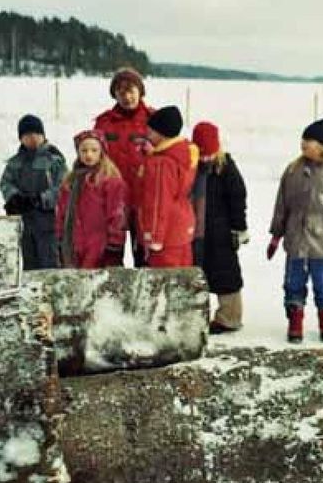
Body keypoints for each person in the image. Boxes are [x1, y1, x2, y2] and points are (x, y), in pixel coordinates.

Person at [268, 117, 323, 343]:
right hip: (296, 240)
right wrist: (276, 236)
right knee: (293, 283)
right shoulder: (293, 170)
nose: (304, 143)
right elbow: (282, 205)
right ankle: (295, 322)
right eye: (303, 139)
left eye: (310, 140)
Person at [191, 121, 249, 334]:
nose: (205, 159)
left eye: (209, 154)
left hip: (221, 232)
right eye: (202, 154)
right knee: (198, 273)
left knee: (227, 274)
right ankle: (196, 315)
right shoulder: (192, 166)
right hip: (197, 231)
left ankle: (230, 316)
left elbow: (238, 199)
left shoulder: (226, 168)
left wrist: (239, 228)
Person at [93, 67, 154, 266]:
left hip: (143, 201)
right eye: (121, 92)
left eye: (131, 91)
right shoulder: (104, 122)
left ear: (140, 91)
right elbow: (93, 156)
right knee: (110, 258)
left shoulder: (154, 119)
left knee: (145, 259)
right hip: (112, 201)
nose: (127, 97)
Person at [0, 113, 67, 270]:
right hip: (24, 221)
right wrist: (14, 197)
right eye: (27, 135)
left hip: (48, 221)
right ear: (21, 138)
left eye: (37, 134)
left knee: (49, 261)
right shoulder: (15, 162)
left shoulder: (54, 160)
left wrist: (41, 199)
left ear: (43, 135)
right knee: (29, 261)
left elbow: (63, 187)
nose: (32, 138)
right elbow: (5, 182)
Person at [135, 105, 198, 268]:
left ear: (161, 134)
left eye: (150, 131)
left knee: (163, 284)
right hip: (181, 230)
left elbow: (158, 202)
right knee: (181, 283)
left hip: (165, 237)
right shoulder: (181, 153)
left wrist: (154, 237)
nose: (147, 135)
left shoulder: (161, 164)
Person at [55, 129, 128, 268]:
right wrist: (59, 237)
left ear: (102, 152)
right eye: (84, 150)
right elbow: (61, 212)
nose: (89, 154)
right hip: (73, 245)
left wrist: (115, 244)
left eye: (94, 150)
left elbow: (117, 214)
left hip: (100, 246)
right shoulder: (70, 181)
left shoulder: (111, 181)